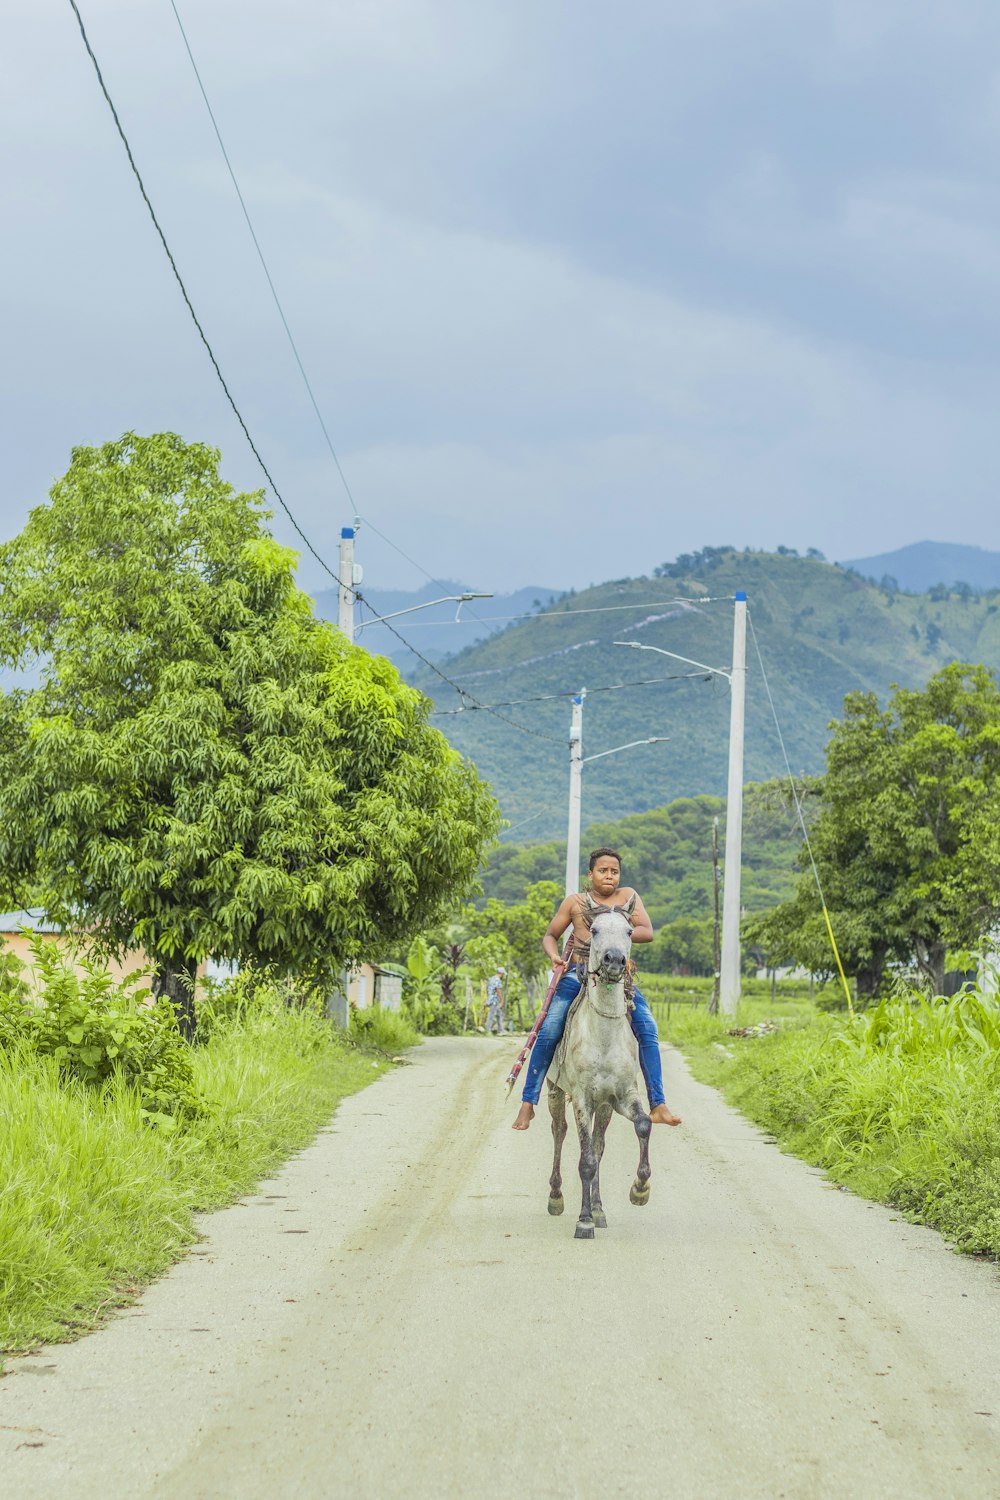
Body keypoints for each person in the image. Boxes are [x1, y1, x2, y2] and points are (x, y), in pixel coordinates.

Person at [511, 847, 682, 1130]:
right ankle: (528, 1102)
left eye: (614, 871)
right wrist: (554, 956)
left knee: (648, 1027)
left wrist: (615, 928)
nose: (609, 876)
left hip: (617, 979)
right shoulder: (575, 902)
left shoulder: (628, 898)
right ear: (590, 874)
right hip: (577, 975)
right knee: (551, 1027)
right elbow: (551, 935)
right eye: (603, 871)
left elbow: (647, 931)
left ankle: (658, 1103)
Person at [485, 966, 506, 1034]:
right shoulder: (497, 980)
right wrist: (502, 1001)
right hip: (494, 1001)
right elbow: (498, 990)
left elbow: (487, 988)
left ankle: (501, 1030)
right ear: (501, 973)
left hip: (490, 999)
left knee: (499, 1014)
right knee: (491, 1015)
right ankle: (487, 1030)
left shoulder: (491, 979)